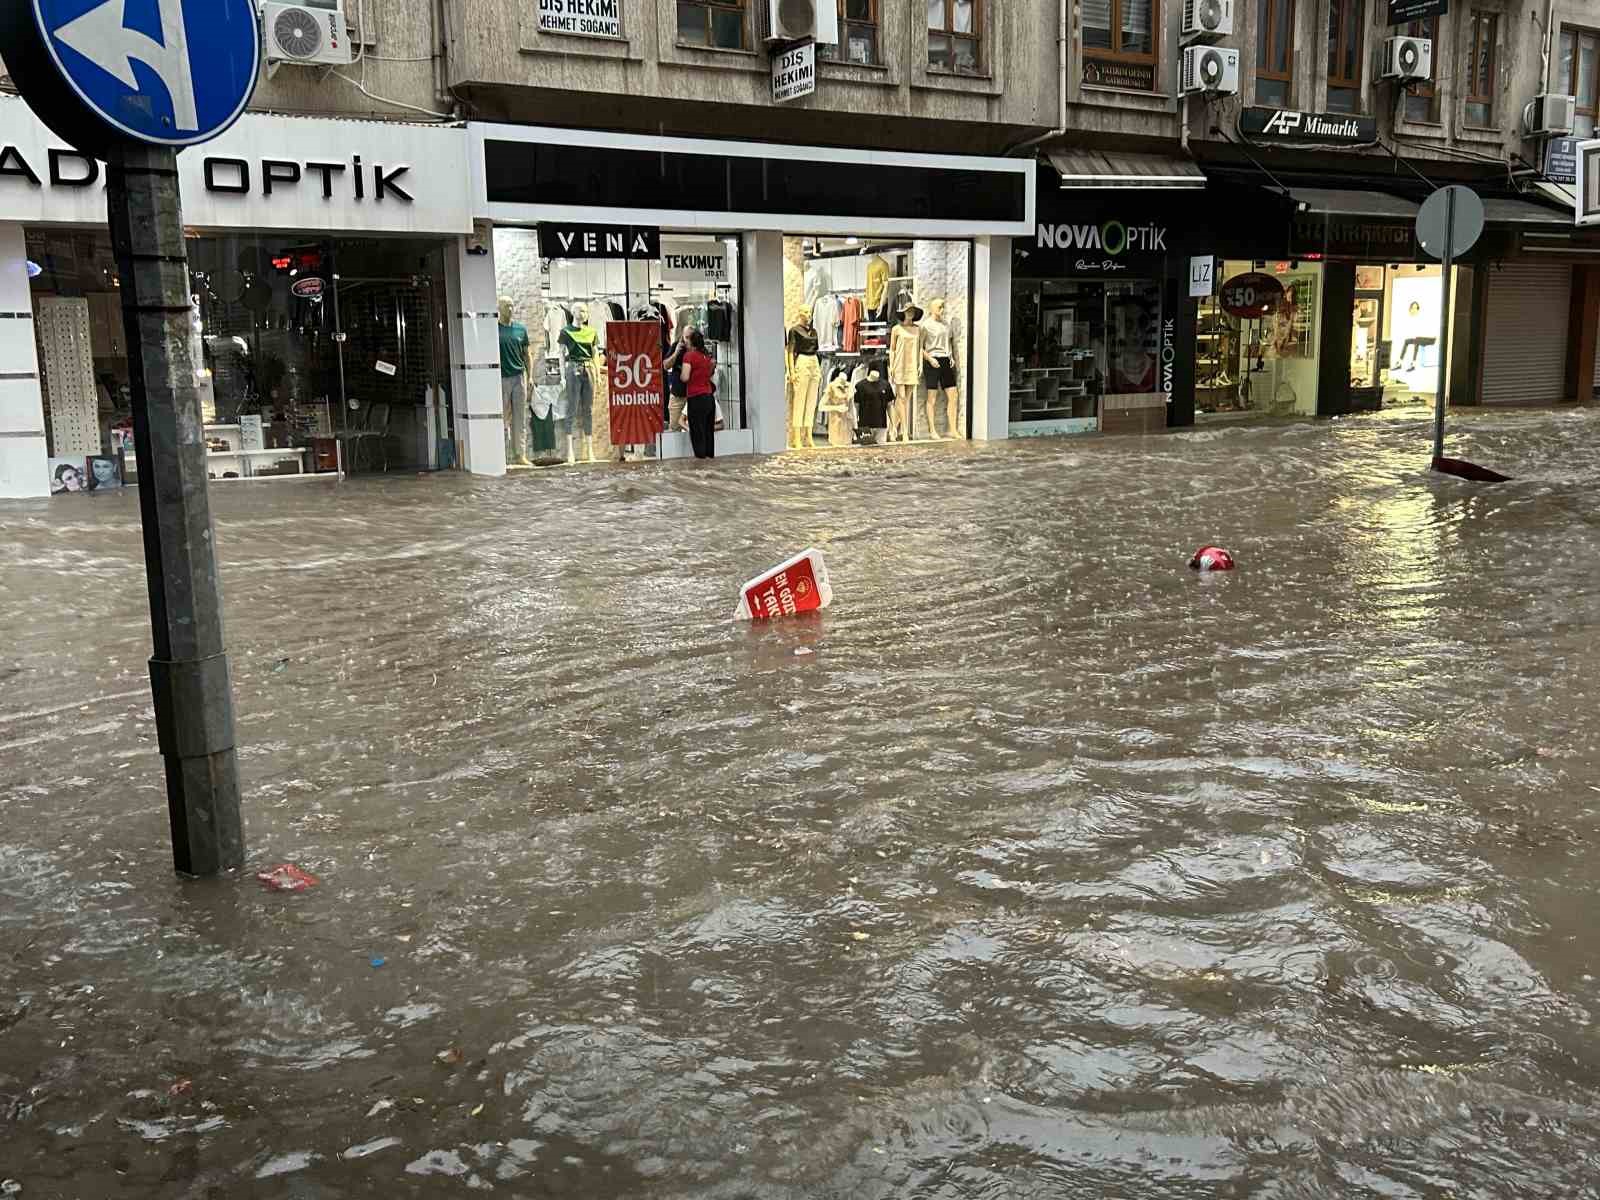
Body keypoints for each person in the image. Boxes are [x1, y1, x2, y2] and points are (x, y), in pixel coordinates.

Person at [680, 330, 717, 460]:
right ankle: (711, 468)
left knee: (698, 435)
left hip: (696, 399)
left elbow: (685, 377)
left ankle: (700, 473)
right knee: (708, 434)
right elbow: (709, 374)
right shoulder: (706, 357)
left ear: (691, 342)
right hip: (709, 399)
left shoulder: (689, 356)